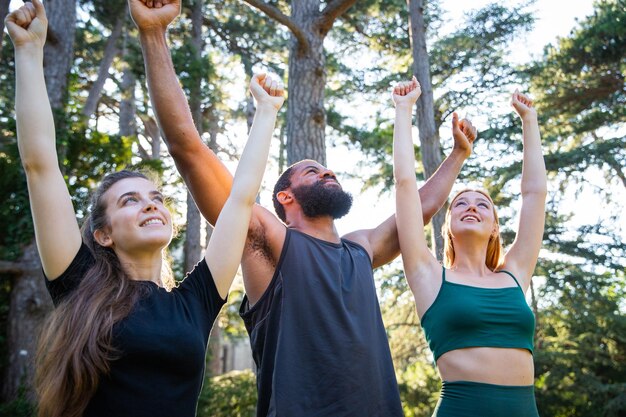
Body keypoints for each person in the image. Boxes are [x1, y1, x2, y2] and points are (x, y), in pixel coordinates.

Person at [130, 2, 475, 415]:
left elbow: (417, 210)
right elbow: (188, 147)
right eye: (313, 171)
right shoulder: (266, 237)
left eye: (327, 170)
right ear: (285, 197)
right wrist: (153, 33)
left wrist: (457, 155)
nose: (328, 172)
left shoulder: (360, 249)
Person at [6, 2, 284, 417]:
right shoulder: (78, 281)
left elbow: (241, 199)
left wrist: (266, 112)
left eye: (155, 198)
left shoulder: (196, 300)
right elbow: (40, 165)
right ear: (104, 234)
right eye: (129, 200)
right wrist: (29, 52)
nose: (151, 205)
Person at [392, 76, 546, 416]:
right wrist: (404, 110)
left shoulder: (515, 275)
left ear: (494, 228)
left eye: (482, 204)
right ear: (447, 227)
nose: (471, 206)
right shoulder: (428, 276)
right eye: (460, 204)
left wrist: (529, 122)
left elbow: (534, 193)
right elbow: (405, 185)